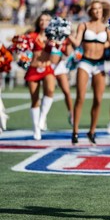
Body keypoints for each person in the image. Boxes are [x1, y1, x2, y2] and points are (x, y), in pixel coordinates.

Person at [68, 0, 110, 145]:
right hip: (85, 62)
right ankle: (75, 131)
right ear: (90, 11)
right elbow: (76, 42)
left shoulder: (106, 27)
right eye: (94, 9)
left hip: (99, 64)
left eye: (99, 9)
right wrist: (66, 33)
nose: (97, 11)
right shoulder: (84, 25)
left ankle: (92, 131)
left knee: (98, 99)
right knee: (80, 97)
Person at [24, 12, 55, 140]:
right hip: (34, 68)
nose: (44, 22)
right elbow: (23, 49)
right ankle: (36, 127)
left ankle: (42, 118)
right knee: (35, 99)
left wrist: (56, 45)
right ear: (38, 22)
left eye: (47, 20)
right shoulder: (32, 36)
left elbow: (61, 53)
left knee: (50, 90)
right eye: (41, 20)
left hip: (47, 68)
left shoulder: (53, 37)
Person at [50, 38, 74, 125]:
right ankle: (42, 117)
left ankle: (71, 114)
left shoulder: (63, 38)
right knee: (49, 92)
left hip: (60, 67)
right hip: (49, 66)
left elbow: (68, 53)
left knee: (66, 91)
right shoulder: (49, 36)